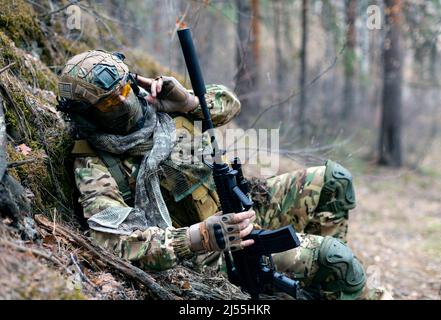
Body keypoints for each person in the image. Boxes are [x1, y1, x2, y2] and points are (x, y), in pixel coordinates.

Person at [57, 50, 369, 300]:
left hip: (243, 209)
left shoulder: (158, 103)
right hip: (214, 255)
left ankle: (321, 286)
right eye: (110, 101)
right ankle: (324, 272)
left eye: (124, 88)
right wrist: (199, 237)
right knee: (335, 259)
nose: (125, 101)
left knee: (336, 181)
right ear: (87, 113)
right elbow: (112, 243)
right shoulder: (94, 163)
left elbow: (229, 106)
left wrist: (187, 100)